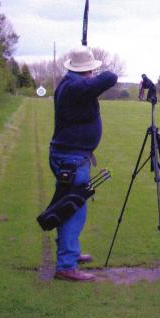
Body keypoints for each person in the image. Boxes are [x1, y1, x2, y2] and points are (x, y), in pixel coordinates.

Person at [48, 46, 117, 282]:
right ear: (85, 70)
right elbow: (110, 78)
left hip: (72, 156)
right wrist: (92, 71)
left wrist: (87, 69)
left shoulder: (71, 85)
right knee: (72, 210)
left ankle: (71, 253)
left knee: (70, 206)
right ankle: (66, 265)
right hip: (71, 159)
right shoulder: (75, 87)